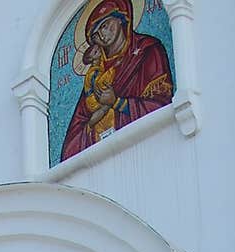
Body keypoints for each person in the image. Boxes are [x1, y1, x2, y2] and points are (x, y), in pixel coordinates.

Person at [60, 0, 173, 161]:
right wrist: (92, 122)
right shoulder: (94, 77)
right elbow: (71, 147)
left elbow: (162, 105)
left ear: (121, 18)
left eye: (105, 25)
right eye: (95, 35)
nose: (102, 35)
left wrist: (118, 102)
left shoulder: (147, 52)